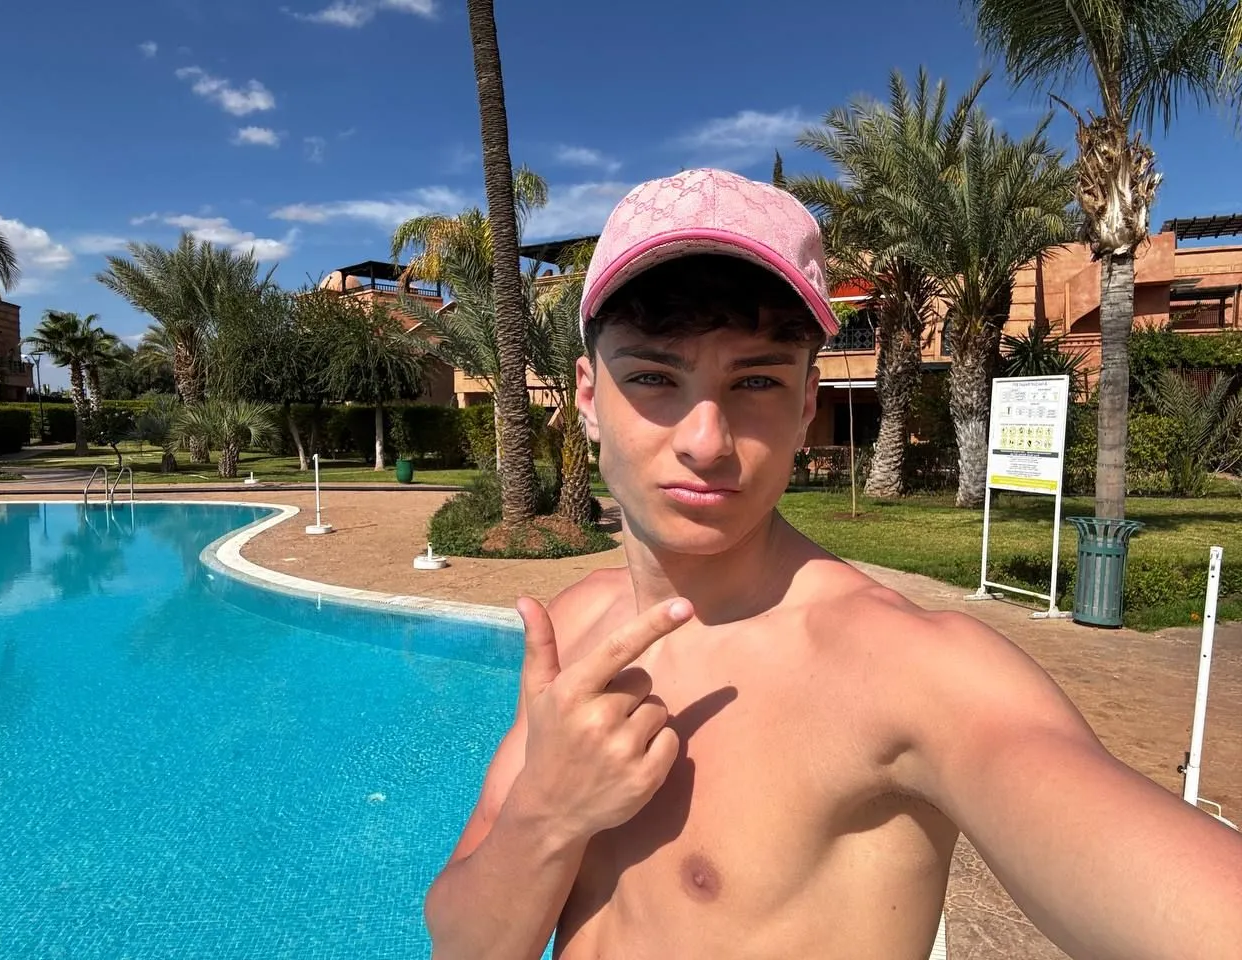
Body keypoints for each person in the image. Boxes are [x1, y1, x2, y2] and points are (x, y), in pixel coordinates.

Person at [423, 168, 1242, 960]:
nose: (706, 441)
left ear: (806, 402)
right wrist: (546, 816)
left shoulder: (908, 671)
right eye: (652, 377)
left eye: (755, 382)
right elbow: (462, 946)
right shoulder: (574, 632)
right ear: (588, 398)